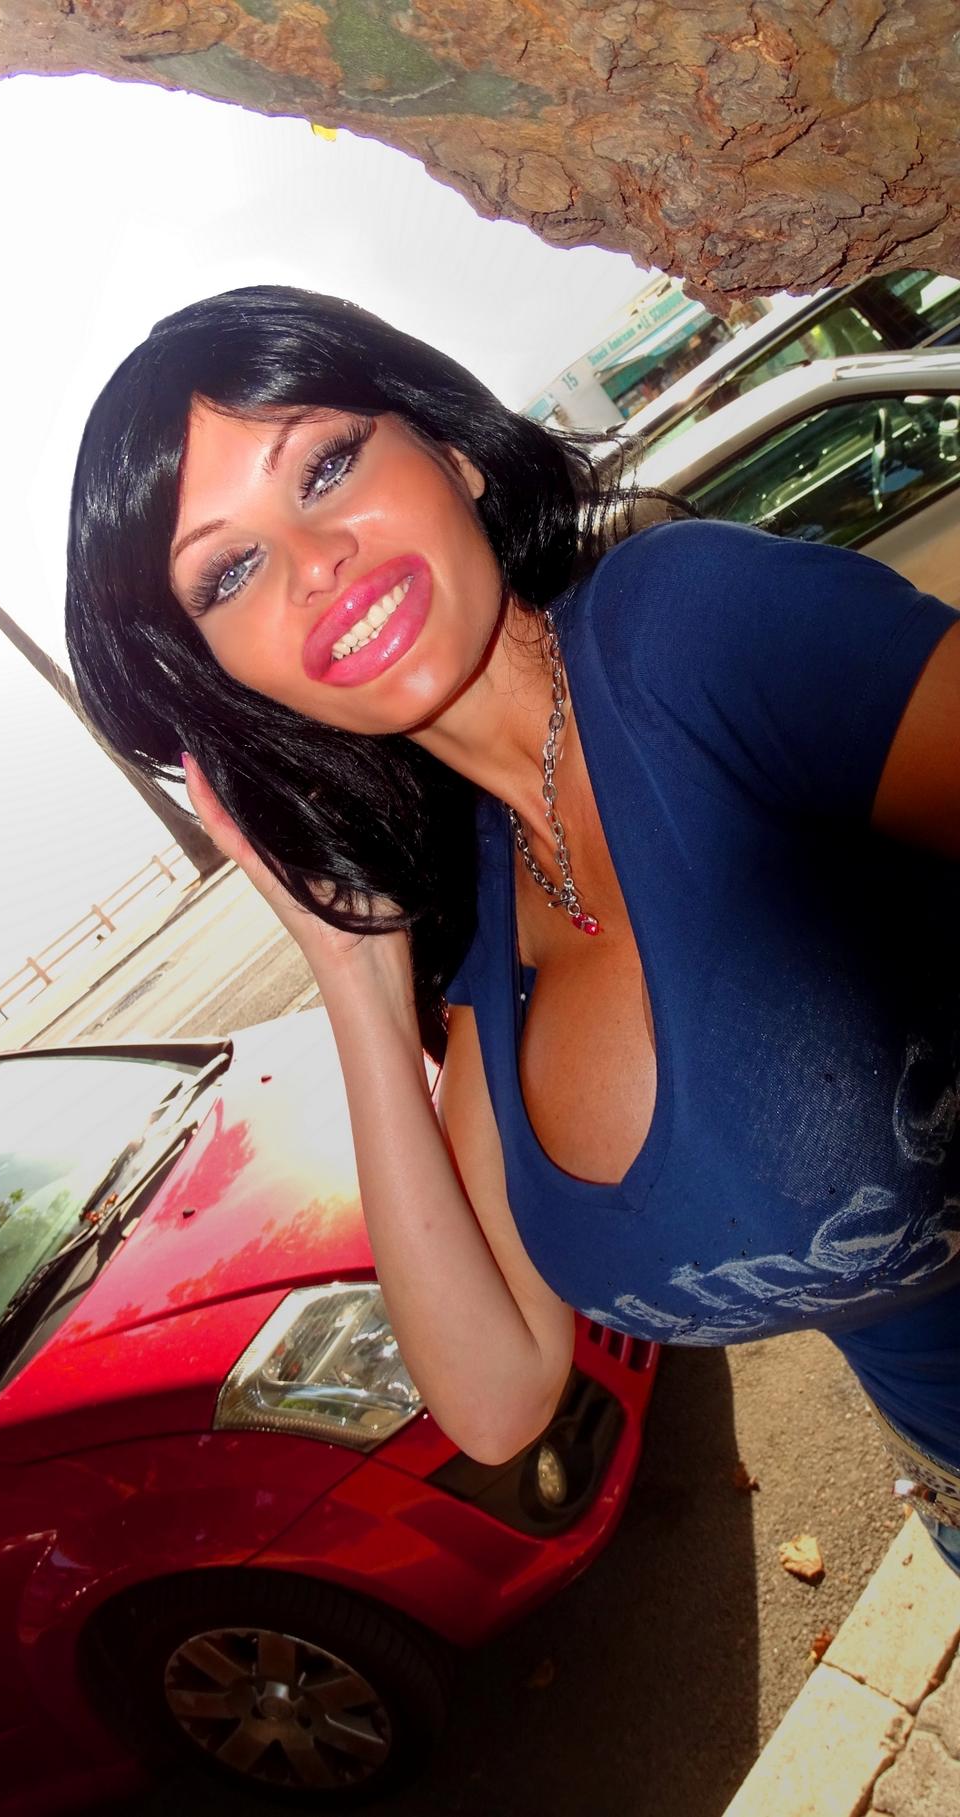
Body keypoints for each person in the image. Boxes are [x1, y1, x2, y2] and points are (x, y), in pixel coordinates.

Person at [66, 284, 960, 1570]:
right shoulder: (487, 917)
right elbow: (498, 1392)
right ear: (228, 678)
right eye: (232, 569)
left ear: (454, 451)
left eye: (324, 464)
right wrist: (353, 982)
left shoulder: (686, 631)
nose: (312, 560)